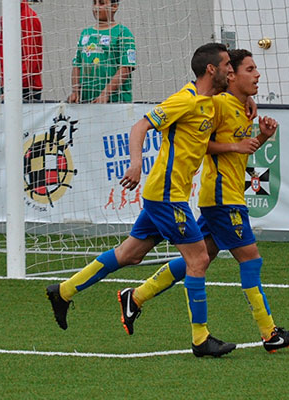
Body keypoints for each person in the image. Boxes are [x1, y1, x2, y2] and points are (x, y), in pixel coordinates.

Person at [47, 43, 235, 357]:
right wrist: (135, 162)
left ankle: (63, 291)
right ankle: (201, 339)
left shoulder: (212, 102)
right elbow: (141, 125)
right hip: (166, 195)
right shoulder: (184, 101)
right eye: (227, 64)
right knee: (199, 259)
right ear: (212, 69)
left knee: (129, 255)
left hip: (166, 194)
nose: (231, 69)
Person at [117, 49, 289, 353]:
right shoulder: (216, 104)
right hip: (221, 198)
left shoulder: (242, 107)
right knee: (250, 258)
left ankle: (136, 297)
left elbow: (241, 149)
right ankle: (269, 333)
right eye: (249, 69)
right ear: (230, 75)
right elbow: (204, 144)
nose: (257, 74)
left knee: (201, 258)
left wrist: (264, 137)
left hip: (226, 196)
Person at [67, 0, 135, 103]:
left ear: (114, 7)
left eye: (102, 3)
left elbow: (126, 67)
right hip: (88, 100)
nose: (97, 7)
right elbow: (77, 65)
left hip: (116, 102)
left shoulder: (123, 32)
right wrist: (75, 91)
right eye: (94, 3)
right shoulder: (86, 33)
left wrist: (106, 93)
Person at [0, 0, 42, 101]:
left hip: (26, 87)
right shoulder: (8, 16)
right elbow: (4, 54)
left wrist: (13, 88)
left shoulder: (28, 18)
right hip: (9, 85)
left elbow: (32, 60)